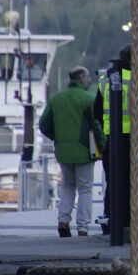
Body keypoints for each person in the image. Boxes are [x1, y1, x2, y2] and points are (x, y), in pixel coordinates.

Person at [39, 66, 104, 237]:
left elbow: (43, 125)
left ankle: (63, 221)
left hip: (62, 150)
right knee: (85, 189)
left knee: (68, 186)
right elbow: (97, 126)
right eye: (88, 77)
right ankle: (83, 227)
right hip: (84, 150)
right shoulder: (89, 99)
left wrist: (58, 137)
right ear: (82, 78)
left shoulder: (56, 99)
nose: (88, 80)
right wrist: (103, 148)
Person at [94, 45, 132, 236]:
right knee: (129, 181)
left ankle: (110, 218)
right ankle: (126, 220)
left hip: (109, 138)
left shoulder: (104, 80)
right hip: (131, 139)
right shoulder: (136, 81)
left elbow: (97, 112)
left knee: (112, 180)